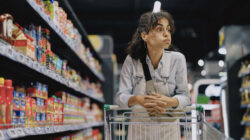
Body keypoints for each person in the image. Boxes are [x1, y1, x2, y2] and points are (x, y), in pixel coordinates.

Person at [115, 10, 191, 139]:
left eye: (168, 29)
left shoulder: (178, 59)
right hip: (139, 129)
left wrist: (170, 101)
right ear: (145, 36)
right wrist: (138, 99)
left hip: (168, 130)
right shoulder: (132, 60)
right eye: (159, 29)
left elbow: (185, 96)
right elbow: (120, 97)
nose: (166, 34)